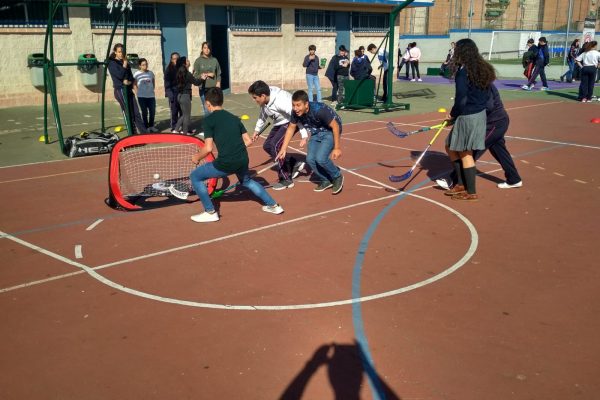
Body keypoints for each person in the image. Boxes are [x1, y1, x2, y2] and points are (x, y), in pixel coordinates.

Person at [189, 87, 284, 223]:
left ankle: (210, 211)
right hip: (242, 159)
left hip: (226, 163)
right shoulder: (234, 118)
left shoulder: (208, 121)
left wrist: (196, 157)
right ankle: (273, 205)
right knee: (248, 181)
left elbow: (208, 148)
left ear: (208, 104)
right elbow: (248, 141)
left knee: (195, 176)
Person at [436, 83, 522, 191]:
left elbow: (486, 107)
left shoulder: (483, 85)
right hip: (494, 122)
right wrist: (455, 118)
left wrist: (460, 116)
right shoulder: (476, 84)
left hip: (493, 123)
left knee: (469, 151)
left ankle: (454, 181)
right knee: (499, 151)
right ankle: (514, 179)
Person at [442, 38, 496, 201]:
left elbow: (461, 99)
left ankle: (470, 191)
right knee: (450, 146)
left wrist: (453, 115)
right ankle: (460, 183)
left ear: (462, 52)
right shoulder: (483, 68)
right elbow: (488, 97)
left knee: (465, 153)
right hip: (477, 114)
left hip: (468, 115)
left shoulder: (463, 72)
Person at [276, 90, 344, 194]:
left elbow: (335, 126)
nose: (295, 108)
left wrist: (337, 148)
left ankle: (337, 176)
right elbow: (291, 128)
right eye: (293, 105)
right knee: (310, 159)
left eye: (298, 105)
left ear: (306, 104)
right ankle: (326, 180)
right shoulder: (295, 112)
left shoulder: (319, 110)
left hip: (330, 131)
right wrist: (283, 148)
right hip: (316, 132)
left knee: (321, 158)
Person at [247, 80, 309, 190]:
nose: (254, 100)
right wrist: (257, 130)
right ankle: (294, 162)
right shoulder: (265, 100)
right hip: (279, 122)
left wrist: (304, 134)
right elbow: (263, 114)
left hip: (290, 121)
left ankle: (286, 179)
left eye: (255, 98)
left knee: (275, 145)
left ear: (263, 96)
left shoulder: (281, 101)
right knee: (267, 146)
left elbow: (296, 116)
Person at [107, 43, 146, 134]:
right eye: (119, 52)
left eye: (122, 52)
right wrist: (124, 64)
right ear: (115, 52)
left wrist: (130, 82)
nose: (121, 54)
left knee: (136, 112)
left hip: (128, 89)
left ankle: (144, 133)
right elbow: (120, 75)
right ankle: (132, 134)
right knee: (129, 113)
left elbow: (130, 77)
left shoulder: (125, 62)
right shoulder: (112, 63)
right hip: (120, 90)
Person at [174, 56, 201, 134]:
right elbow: (196, 82)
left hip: (180, 96)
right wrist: (202, 78)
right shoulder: (187, 74)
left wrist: (192, 74)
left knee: (184, 115)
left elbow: (186, 80)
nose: (188, 61)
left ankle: (176, 130)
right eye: (187, 61)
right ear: (184, 64)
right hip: (185, 96)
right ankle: (185, 134)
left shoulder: (179, 72)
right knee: (187, 116)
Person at [193, 41, 221, 115]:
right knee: (207, 109)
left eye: (208, 48)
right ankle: (208, 126)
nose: (207, 49)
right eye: (205, 48)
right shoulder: (198, 61)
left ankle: (214, 125)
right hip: (203, 89)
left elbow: (218, 73)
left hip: (213, 89)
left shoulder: (214, 60)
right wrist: (204, 75)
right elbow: (195, 75)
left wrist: (218, 83)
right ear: (202, 49)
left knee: (215, 108)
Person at [133, 58, 158, 132]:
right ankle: (146, 127)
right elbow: (134, 84)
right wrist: (137, 92)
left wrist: (152, 89)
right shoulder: (137, 74)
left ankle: (151, 126)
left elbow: (153, 81)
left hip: (151, 96)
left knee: (152, 112)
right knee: (144, 112)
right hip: (141, 96)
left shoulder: (150, 73)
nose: (145, 66)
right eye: (143, 65)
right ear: (140, 66)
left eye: (146, 64)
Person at [164, 52, 182, 132]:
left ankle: (183, 126)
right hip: (173, 93)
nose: (176, 60)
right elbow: (167, 85)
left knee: (182, 111)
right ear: (171, 60)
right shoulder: (168, 70)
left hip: (181, 93)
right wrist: (170, 96)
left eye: (177, 59)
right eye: (174, 59)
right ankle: (174, 127)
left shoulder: (182, 68)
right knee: (174, 111)